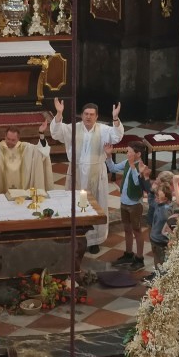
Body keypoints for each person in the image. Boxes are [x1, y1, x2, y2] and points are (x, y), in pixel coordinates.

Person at [50, 98, 124, 254]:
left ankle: (94, 240)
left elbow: (117, 136)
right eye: (86, 114)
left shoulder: (103, 130)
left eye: (91, 114)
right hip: (76, 171)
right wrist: (59, 113)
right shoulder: (73, 128)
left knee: (96, 204)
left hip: (96, 172)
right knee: (74, 204)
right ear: (81, 115)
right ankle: (75, 237)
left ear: (97, 116)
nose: (88, 117)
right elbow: (56, 133)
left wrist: (115, 118)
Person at [0, 117, 54, 196]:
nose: (10, 142)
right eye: (8, 139)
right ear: (5, 137)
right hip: (1, 192)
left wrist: (41, 133)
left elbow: (41, 151)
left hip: (22, 193)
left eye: (13, 140)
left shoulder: (26, 148)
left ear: (18, 138)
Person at [105, 141, 146, 268]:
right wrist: (108, 156)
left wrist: (133, 166)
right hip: (124, 202)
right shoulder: (127, 162)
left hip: (135, 204)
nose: (127, 153)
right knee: (127, 229)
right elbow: (113, 168)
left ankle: (139, 259)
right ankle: (128, 254)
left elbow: (137, 182)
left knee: (137, 231)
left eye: (129, 152)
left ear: (138, 154)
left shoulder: (142, 167)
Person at [149, 183, 173, 270]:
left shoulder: (166, 210)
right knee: (157, 260)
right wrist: (152, 192)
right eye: (156, 196)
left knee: (162, 264)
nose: (156, 198)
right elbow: (151, 201)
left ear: (166, 199)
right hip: (155, 239)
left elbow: (169, 225)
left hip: (161, 242)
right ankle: (157, 274)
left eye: (158, 196)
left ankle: (160, 275)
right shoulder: (158, 204)